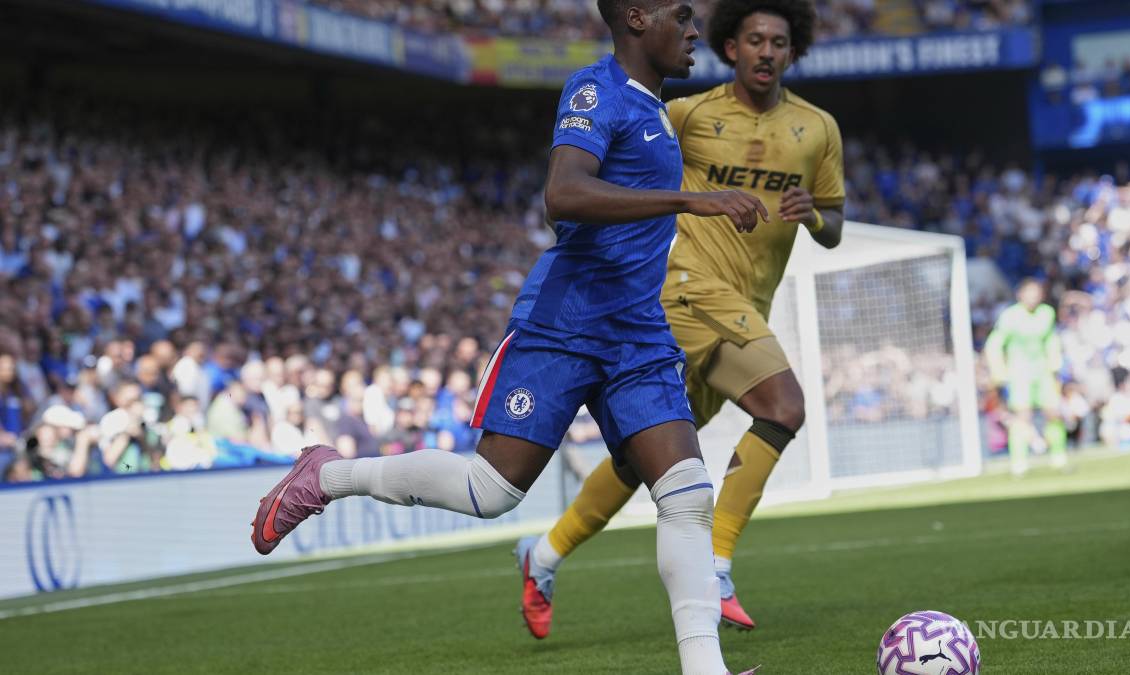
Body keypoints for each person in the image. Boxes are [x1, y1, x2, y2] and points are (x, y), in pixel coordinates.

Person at [249, 0, 767, 671]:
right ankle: (328, 474)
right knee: (490, 491)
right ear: (638, 17)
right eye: (682, 14)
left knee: (687, 495)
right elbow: (564, 195)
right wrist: (693, 200)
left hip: (637, 331)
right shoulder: (596, 90)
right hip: (564, 324)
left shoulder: (657, 111)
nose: (695, 30)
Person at [513, 0, 843, 636]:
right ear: (731, 47)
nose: (767, 51)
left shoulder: (818, 129)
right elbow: (618, 168)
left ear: (793, 51)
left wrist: (816, 217)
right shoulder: (687, 114)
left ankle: (544, 553)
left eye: (778, 42)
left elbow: (835, 225)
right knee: (783, 405)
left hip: (746, 306)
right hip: (685, 289)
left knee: (650, 457)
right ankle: (716, 565)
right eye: (754, 39)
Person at [984, 278, 1067, 476]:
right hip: (1019, 372)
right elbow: (994, 344)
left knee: (1053, 412)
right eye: (1029, 293)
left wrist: (1055, 365)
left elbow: (1051, 340)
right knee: (1022, 416)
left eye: (1036, 293)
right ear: (1020, 295)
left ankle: (1058, 456)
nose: (1033, 297)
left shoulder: (1046, 313)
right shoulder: (1010, 316)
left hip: (1043, 371)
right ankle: (1019, 462)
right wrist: (999, 372)